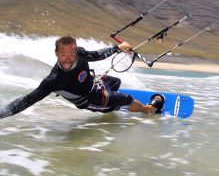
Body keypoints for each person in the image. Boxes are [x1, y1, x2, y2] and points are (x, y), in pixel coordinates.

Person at [0, 36, 164, 119]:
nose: (68, 58)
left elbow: (97, 55)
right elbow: (26, 101)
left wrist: (118, 48)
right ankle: (148, 109)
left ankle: (116, 105)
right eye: (63, 54)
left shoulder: (80, 54)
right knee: (127, 98)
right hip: (92, 100)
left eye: (71, 54)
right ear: (56, 54)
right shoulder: (53, 81)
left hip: (94, 87)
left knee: (115, 81)